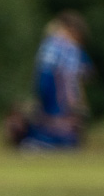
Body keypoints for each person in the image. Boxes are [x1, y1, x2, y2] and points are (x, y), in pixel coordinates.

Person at [19, 11, 89, 149]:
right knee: (57, 116)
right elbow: (74, 76)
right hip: (59, 86)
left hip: (52, 83)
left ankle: (45, 141)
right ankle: (56, 142)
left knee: (50, 115)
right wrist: (77, 99)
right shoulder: (68, 47)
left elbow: (44, 72)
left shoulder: (52, 43)